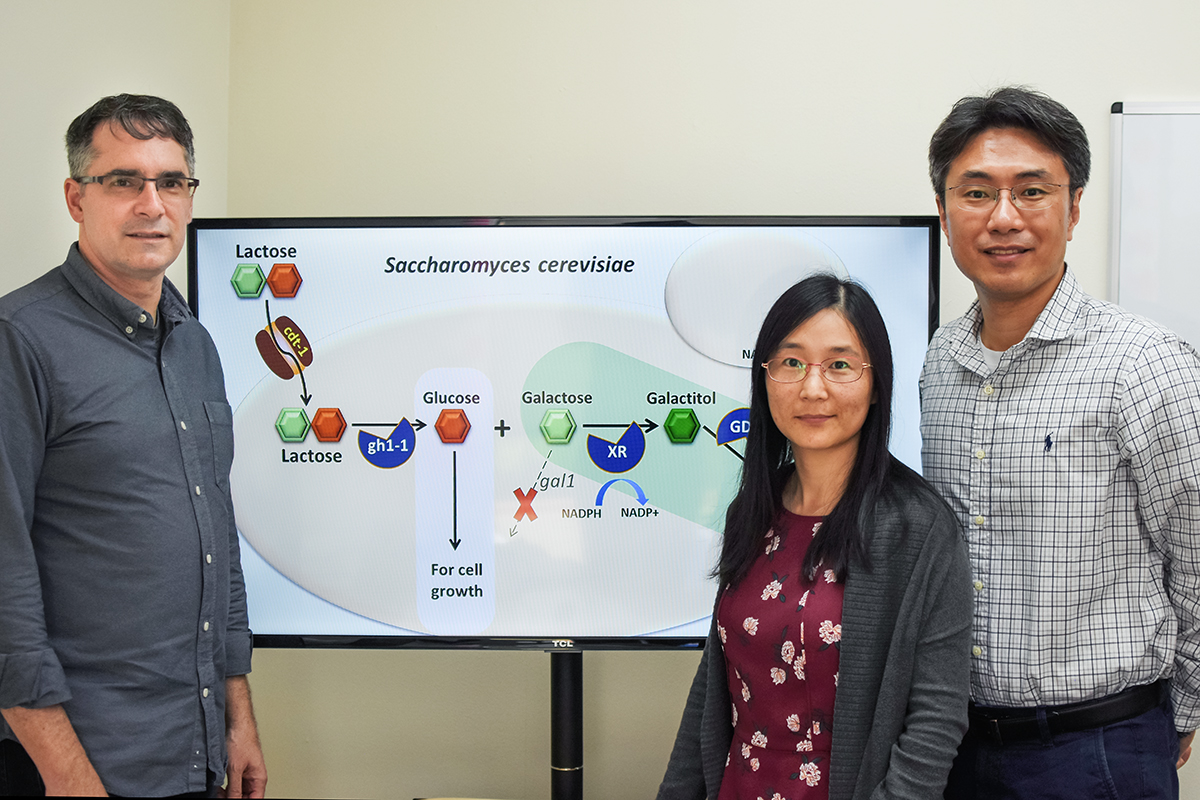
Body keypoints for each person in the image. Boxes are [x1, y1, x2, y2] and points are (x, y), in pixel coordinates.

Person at [921, 86, 1200, 799]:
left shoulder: (1144, 363)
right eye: (976, 193)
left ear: (1074, 208)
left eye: (1032, 191)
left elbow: (1197, 547)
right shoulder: (939, 362)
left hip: (1099, 747)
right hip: (957, 743)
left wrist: (1182, 707)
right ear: (945, 212)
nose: (1003, 217)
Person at [0, 94, 267, 797]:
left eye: (171, 182)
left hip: (194, 751)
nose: (152, 204)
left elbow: (217, 539)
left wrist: (237, 716)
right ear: (75, 198)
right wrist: (66, 775)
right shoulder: (18, 341)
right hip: (78, 763)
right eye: (124, 181)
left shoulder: (195, 344)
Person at [658, 274, 972, 799]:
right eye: (791, 362)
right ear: (765, 377)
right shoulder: (752, 511)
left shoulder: (918, 528)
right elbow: (714, 689)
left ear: (876, 385)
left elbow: (935, 722)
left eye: (840, 365)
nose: (812, 388)